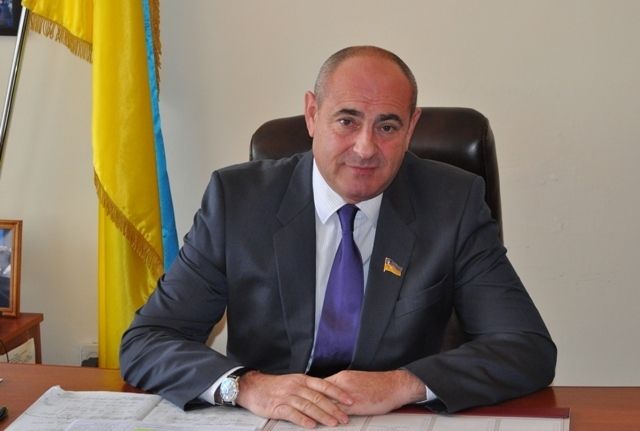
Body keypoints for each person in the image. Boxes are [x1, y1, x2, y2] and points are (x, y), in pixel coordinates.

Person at [120, 46, 556, 429]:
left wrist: (402, 384)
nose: (365, 148)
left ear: (411, 127)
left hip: (392, 422)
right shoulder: (238, 201)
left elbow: (526, 348)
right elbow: (147, 341)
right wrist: (246, 387)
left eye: (388, 127)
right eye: (347, 121)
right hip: (270, 422)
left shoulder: (452, 204)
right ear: (312, 114)